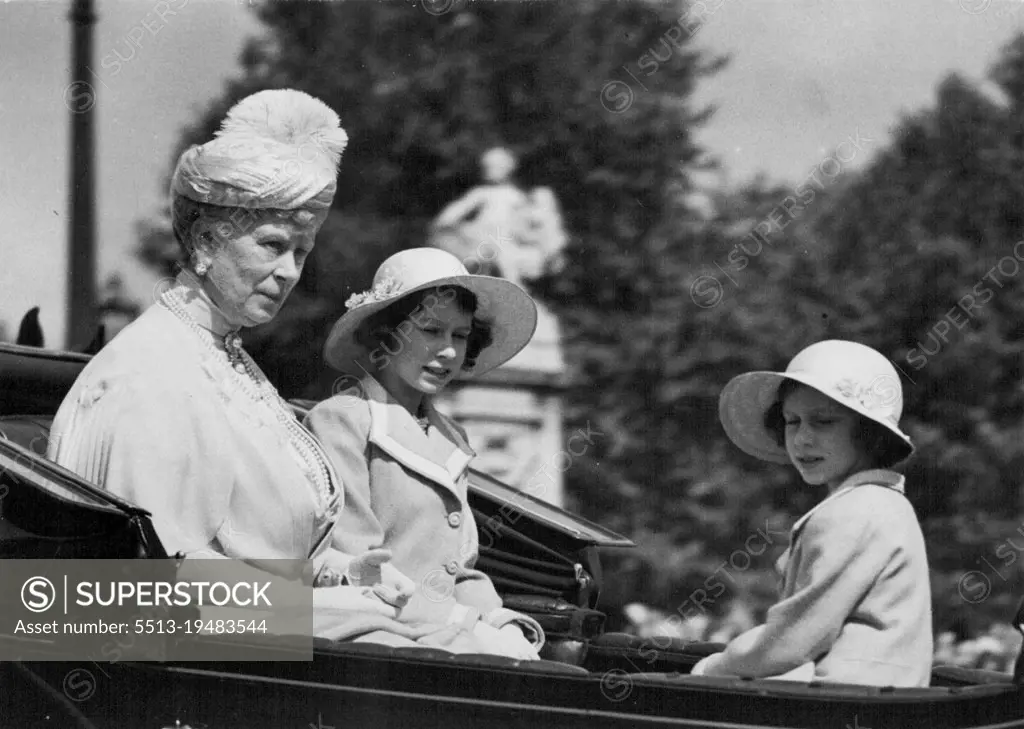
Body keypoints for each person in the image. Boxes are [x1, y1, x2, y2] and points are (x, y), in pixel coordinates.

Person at [47, 89, 450, 643]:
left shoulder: (224, 358)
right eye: (272, 244)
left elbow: (251, 547)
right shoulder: (151, 375)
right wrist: (324, 613)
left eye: (301, 252)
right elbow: (150, 590)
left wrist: (340, 574)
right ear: (208, 240)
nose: (288, 271)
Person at [305, 247, 546, 659]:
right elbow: (363, 570)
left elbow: (459, 568)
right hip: (368, 635)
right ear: (388, 333)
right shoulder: (343, 420)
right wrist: (466, 626)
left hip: (438, 633)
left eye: (461, 335)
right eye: (431, 330)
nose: (449, 351)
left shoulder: (452, 437)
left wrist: (500, 621)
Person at [691, 340, 933, 686]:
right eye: (792, 421)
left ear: (869, 434)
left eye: (823, 422)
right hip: (872, 699)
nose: (802, 438)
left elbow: (794, 637)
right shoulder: (884, 504)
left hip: (845, 703)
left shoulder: (857, 512)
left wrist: (715, 666)